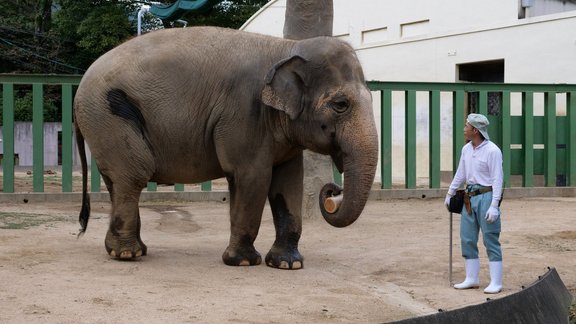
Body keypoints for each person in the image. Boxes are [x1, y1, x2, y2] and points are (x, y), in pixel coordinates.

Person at [444, 113, 504, 294]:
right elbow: (460, 173)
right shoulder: (466, 149)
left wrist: (494, 205)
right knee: (467, 238)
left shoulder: (493, 151)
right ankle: (472, 278)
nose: (464, 129)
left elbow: (497, 179)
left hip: (486, 196)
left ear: (475, 130)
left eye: (466, 126)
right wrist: (451, 192)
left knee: (490, 238)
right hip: (468, 198)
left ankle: (496, 282)